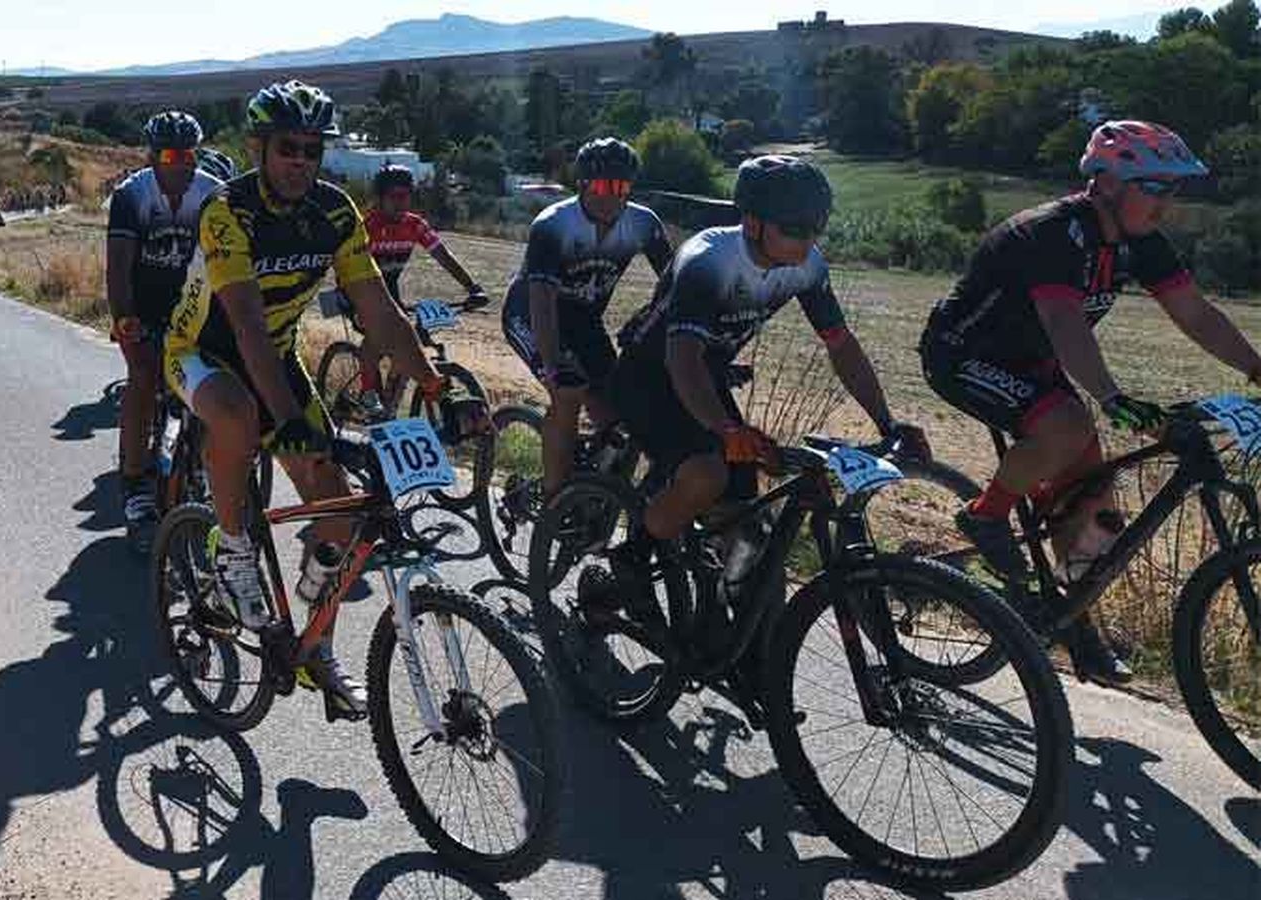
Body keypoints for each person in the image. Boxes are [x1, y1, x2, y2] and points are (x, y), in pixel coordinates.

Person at [162, 80, 483, 719]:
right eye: (288, 147)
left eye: (313, 149)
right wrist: (288, 420)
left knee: (338, 515)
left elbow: (380, 312)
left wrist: (435, 387)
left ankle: (314, 645)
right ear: (259, 147)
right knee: (238, 416)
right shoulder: (228, 212)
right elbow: (247, 328)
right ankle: (232, 550)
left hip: (275, 357)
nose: (301, 160)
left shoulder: (335, 212)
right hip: (203, 351)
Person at [920, 120, 1261, 684]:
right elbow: (1063, 321)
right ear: (1107, 183)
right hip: (962, 354)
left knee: (1095, 510)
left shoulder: (1140, 243)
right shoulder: (1052, 233)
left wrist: (1256, 368)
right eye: (1154, 188)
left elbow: (1196, 313)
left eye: (1173, 189)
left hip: (1034, 365)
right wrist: (1112, 398)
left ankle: (1073, 623)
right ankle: (986, 515)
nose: (1166, 203)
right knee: (1068, 424)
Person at [606, 155, 929, 641]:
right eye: (795, 229)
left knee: (743, 511)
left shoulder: (806, 266)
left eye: (816, 228)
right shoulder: (707, 261)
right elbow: (682, 360)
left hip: (704, 375)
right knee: (708, 473)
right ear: (752, 222)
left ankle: (731, 614)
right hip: (649, 375)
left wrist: (887, 423)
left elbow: (840, 344)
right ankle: (633, 557)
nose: (808, 241)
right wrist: (725, 429)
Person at [501, 137, 673, 498]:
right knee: (568, 394)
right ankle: (553, 502)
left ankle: (591, 491)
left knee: (618, 414)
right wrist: (553, 365)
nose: (612, 197)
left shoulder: (644, 223)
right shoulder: (553, 224)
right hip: (532, 314)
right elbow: (542, 302)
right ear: (582, 184)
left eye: (621, 187)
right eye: (602, 186)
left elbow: (676, 286)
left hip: (584, 322)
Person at [105, 110, 221, 549]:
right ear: (152, 157)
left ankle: (205, 470)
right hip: (145, 305)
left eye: (189, 155)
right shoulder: (131, 195)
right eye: (171, 155)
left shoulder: (215, 193)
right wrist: (125, 319)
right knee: (142, 378)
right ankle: (135, 485)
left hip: (197, 307)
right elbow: (118, 269)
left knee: (216, 382)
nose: (181, 164)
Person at [349, 164, 488, 416]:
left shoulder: (414, 225)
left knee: (408, 338)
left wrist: (472, 288)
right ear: (380, 199)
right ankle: (368, 393)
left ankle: (391, 399)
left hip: (388, 290)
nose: (401, 203)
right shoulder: (366, 227)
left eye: (405, 196)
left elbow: (443, 256)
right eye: (394, 197)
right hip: (357, 289)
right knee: (376, 335)